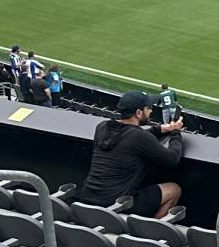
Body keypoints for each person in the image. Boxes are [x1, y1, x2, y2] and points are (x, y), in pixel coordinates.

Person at [77, 91, 185, 219]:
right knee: (174, 190)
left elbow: (128, 138)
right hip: (117, 205)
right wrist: (176, 133)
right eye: (148, 108)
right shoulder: (139, 137)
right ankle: (152, 229)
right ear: (138, 113)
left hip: (89, 198)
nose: (151, 111)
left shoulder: (102, 127)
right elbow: (172, 159)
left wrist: (160, 129)